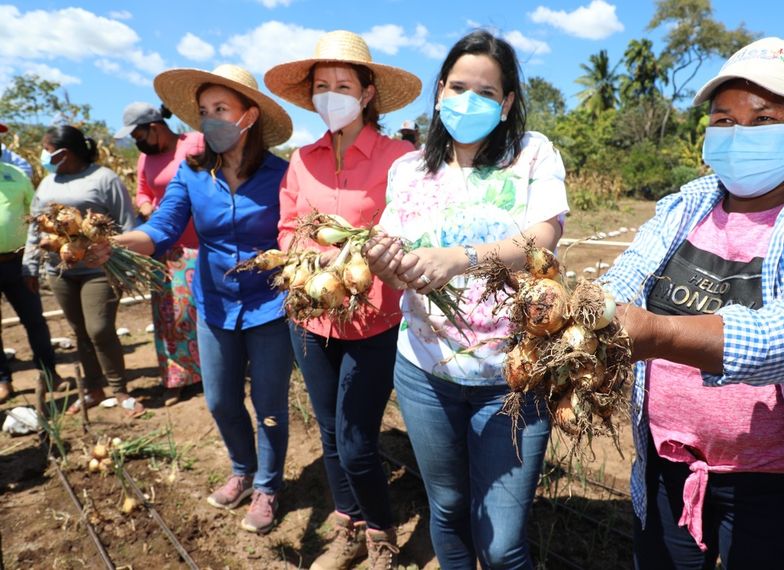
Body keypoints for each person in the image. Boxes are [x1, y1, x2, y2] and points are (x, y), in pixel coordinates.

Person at [601, 37, 784, 569]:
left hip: (778, 483)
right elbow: (629, 272)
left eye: (762, 121)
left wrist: (657, 334)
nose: (738, 135)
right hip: (668, 466)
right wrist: (589, 307)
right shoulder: (688, 201)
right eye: (723, 119)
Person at [364, 30, 569, 568]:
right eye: (458, 87)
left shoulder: (531, 153)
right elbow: (389, 241)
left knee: (502, 545)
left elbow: (543, 238)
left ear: (505, 104)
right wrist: (380, 259)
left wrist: (461, 258)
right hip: (424, 370)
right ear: (438, 92)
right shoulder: (408, 169)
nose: (468, 102)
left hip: (513, 375)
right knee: (449, 508)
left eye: (485, 93)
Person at [89, 64, 294, 534]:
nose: (211, 119)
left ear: (249, 115)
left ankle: (267, 485)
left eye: (222, 108)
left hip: (269, 307)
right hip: (216, 304)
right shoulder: (192, 173)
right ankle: (241, 469)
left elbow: (296, 237)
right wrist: (115, 244)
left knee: (268, 403)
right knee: (221, 401)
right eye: (204, 112)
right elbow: (160, 229)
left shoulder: (282, 175)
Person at [264, 29, 420, 569]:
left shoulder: (401, 158)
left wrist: (362, 252)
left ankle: (380, 532)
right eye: (322, 85)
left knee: (355, 437)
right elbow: (286, 227)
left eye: (344, 84)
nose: (332, 94)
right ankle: (348, 518)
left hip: (375, 318)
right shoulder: (300, 160)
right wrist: (310, 257)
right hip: (309, 318)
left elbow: (413, 229)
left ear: (368, 92)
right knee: (329, 431)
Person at [21, 125, 141, 417]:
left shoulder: (104, 178)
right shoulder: (48, 182)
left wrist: (127, 260)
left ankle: (120, 389)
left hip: (99, 267)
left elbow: (127, 222)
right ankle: (92, 388)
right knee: (79, 331)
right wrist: (30, 265)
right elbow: (37, 229)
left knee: (99, 328)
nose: (45, 155)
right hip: (60, 269)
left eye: (49, 150)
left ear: (65, 152)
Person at [114, 102, 204, 406]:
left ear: (155, 127)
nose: (137, 142)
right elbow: (142, 191)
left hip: (199, 244)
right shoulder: (144, 158)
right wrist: (145, 207)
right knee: (170, 315)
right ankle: (176, 378)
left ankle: (207, 372)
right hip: (164, 245)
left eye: (139, 135)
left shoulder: (193, 143)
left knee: (197, 311)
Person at [0, 157, 60, 403]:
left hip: (17, 261)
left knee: (34, 320)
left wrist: (33, 259)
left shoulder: (15, 174)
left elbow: (35, 219)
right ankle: (3, 380)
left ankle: (49, 373)